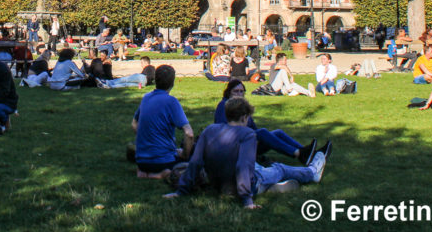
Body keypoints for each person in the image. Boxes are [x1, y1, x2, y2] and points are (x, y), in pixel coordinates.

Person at [165, 97, 330, 208]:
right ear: (244, 117)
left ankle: (272, 187)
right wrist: (247, 200)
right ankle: (312, 173)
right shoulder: (247, 134)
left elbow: (195, 162)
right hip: (243, 186)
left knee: (261, 167)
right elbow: (243, 166)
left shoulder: (210, 130)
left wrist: (181, 190)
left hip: (218, 184)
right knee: (278, 168)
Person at [214, 79, 317, 163]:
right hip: (235, 145)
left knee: (278, 133)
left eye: (242, 91)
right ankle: (298, 153)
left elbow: (254, 128)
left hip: (248, 141)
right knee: (262, 132)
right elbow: (222, 129)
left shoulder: (242, 106)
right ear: (229, 92)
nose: (239, 94)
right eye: (236, 91)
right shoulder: (224, 105)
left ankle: (307, 152)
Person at [132, 65, 194, 178]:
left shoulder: (146, 98)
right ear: (172, 82)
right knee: (194, 161)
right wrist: (185, 154)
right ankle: (161, 174)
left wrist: (146, 141)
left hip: (141, 160)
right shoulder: (171, 102)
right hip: (163, 160)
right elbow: (189, 133)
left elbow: (134, 123)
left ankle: (145, 173)